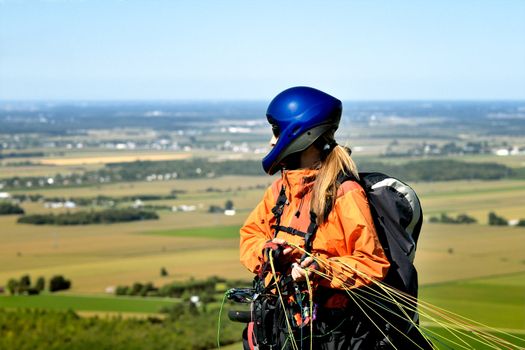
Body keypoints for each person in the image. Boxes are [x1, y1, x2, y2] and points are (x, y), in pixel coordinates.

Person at [239, 86, 392, 350]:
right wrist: (268, 255)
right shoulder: (280, 191)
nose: (271, 141)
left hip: (332, 332)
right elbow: (250, 237)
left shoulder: (345, 194)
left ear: (301, 134)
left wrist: (320, 270)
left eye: (276, 131)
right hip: (282, 325)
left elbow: (371, 262)